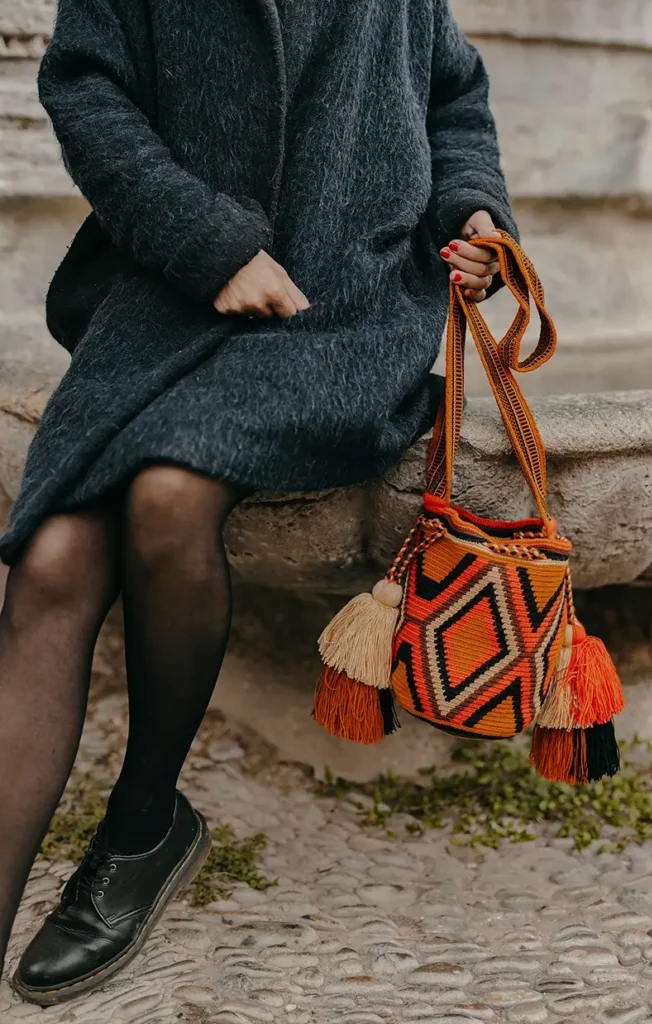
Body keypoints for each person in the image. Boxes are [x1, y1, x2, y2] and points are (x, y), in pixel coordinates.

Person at [0, 0, 517, 1005]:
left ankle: (142, 824)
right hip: (169, 285)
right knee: (52, 559)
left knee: (166, 496)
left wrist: (472, 214)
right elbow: (85, 87)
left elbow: (452, 91)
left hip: (344, 304)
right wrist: (207, 244)